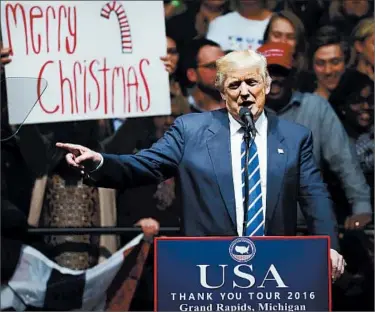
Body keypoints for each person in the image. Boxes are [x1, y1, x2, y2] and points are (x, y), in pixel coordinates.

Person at [56, 49, 345, 280]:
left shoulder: (295, 138)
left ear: (266, 85)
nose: (244, 92)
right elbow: (146, 164)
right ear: (222, 92)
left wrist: (329, 246)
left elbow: (314, 196)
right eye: (234, 84)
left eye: (252, 82)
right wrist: (99, 161)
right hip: (206, 272)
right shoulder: (190, 130)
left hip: (275, 271)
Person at [257, 42, 372, 230]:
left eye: (281, 72)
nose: (274, 79)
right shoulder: (242, 112)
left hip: (305, 228)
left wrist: (361, 206)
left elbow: (344, 161)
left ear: (293, 75)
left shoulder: (316, 108)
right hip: (252, 230)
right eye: (267, 73)